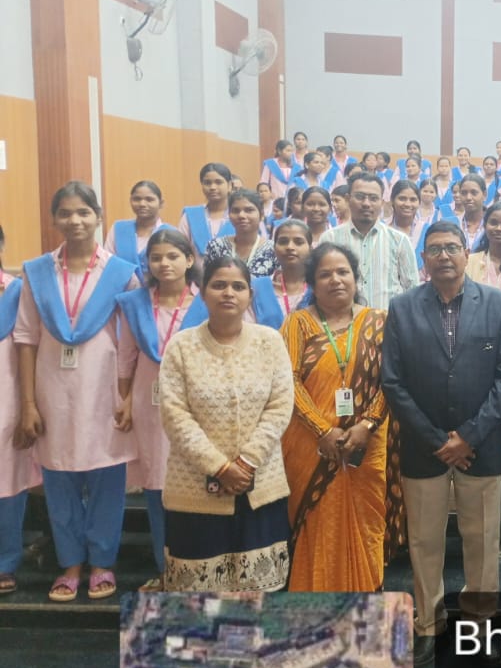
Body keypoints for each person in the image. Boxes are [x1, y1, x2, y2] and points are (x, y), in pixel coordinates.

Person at [383, 221, 501, 666]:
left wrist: (469, 436)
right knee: (424, 542)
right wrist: (436, 439)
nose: (444, 255)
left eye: (452, 247)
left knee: (482, 541)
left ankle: (479, 625)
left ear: (466, 254)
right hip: (423, 448)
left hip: (481, 447)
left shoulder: (497, 303)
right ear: (423, 258)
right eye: (435, 249)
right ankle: (428, 623)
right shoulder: (402, 307)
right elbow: (393, 381)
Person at [13, 182, 138, 602]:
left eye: (83, 212)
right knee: (59, 476)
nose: (75, 220)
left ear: (98, 216)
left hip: (105, 390)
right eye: (65, 213)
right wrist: (28, 403)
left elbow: (133, 340)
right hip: (52, 391)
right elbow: (26, 338)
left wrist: (128, 396)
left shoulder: (122, 272)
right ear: (54, 219)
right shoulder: (37, 273)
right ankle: (70, 563)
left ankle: (102, 561)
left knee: (106, 477)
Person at [157, 256, 293, 591]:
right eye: (218, 285)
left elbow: (279, 407)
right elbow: (175, 415)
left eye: (238, 286)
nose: (228, 293)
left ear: (250, 295)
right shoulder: (181, 346)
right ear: (203, 292)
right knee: (199, 597)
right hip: (194, 490)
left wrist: (245, 463)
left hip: (259, 486)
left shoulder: (270, 342)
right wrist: (219, 467)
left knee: (258, 592)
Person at [280, 244, 389, 592]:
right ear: (312, 283)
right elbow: (287, 379)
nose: (336, 280)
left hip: (367, 443)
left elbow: (393, 380)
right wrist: (321, 429)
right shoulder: (298, 323)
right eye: (325, 274)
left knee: (366, 522)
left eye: (343, 272)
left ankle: (366, 601)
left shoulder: (379, 321)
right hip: (310, 445)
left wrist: (367, 424)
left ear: (356, 278)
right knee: (317, 522)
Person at [115, 229, 202, 583]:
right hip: (148, 402)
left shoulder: (206, 300)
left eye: (172, 256)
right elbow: (126, 356)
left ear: (189, 260)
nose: (164, 263)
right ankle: (165, 569)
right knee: (156, 483)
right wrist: (124, 399)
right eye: (156, 257)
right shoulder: (135, 303)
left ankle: (196, 568)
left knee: (195, 482)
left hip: (197, 404)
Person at [0, 226, 41, 596]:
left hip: (8, 402)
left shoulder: (17, 292)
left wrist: (29, 406)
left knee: (8, 484)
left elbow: (31, 349)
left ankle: (5, 562)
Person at [322, 171, 418, 310]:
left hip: (388, 321)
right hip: (342, 320)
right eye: (360, 197)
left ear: (382, 203)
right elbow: (322, 285)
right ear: (348, 199)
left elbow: (412, 289)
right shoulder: (330, 239)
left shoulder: (399, 240)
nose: (366, 203)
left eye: (373, 198)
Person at [104, 180, 170, 279]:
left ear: (161, 203)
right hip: (123, 287)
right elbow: (108, 263)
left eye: (149, 199)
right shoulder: (118, 229)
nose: (142, 204)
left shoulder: (170, 233)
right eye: (137, 199)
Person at [204, 188, 275, 276]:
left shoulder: (273, 250)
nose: (241, 215)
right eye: (235, 211)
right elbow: (207, 280)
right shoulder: (216, 247)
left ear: (262, 215)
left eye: (249, 210)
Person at [179, 162, 234, 269]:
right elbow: (181, 249)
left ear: (229, 185)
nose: (212, 187)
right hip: (197, 277)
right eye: (207, 183)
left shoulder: (239, 215)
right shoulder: (191, 216)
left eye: (218, 182)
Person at [456, 173, 488, 253]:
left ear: (484, 195)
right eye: (464, 193)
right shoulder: (453, 223)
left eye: (474, 193)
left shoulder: (493, 225)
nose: (468, 198)